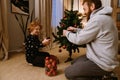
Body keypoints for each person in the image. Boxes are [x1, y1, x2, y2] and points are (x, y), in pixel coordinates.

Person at [63, 0, 119, 80]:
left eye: (85, 9)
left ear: (92, 6)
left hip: (103, 63)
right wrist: (76, 30)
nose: (85, 12)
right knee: (74, 63)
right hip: (98, 56)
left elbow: (79, 39)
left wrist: (66, 33)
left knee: (69, 72)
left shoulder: (98, 20)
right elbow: (90, 33)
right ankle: (102, 75)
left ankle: (103, 77)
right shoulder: (103, 17)